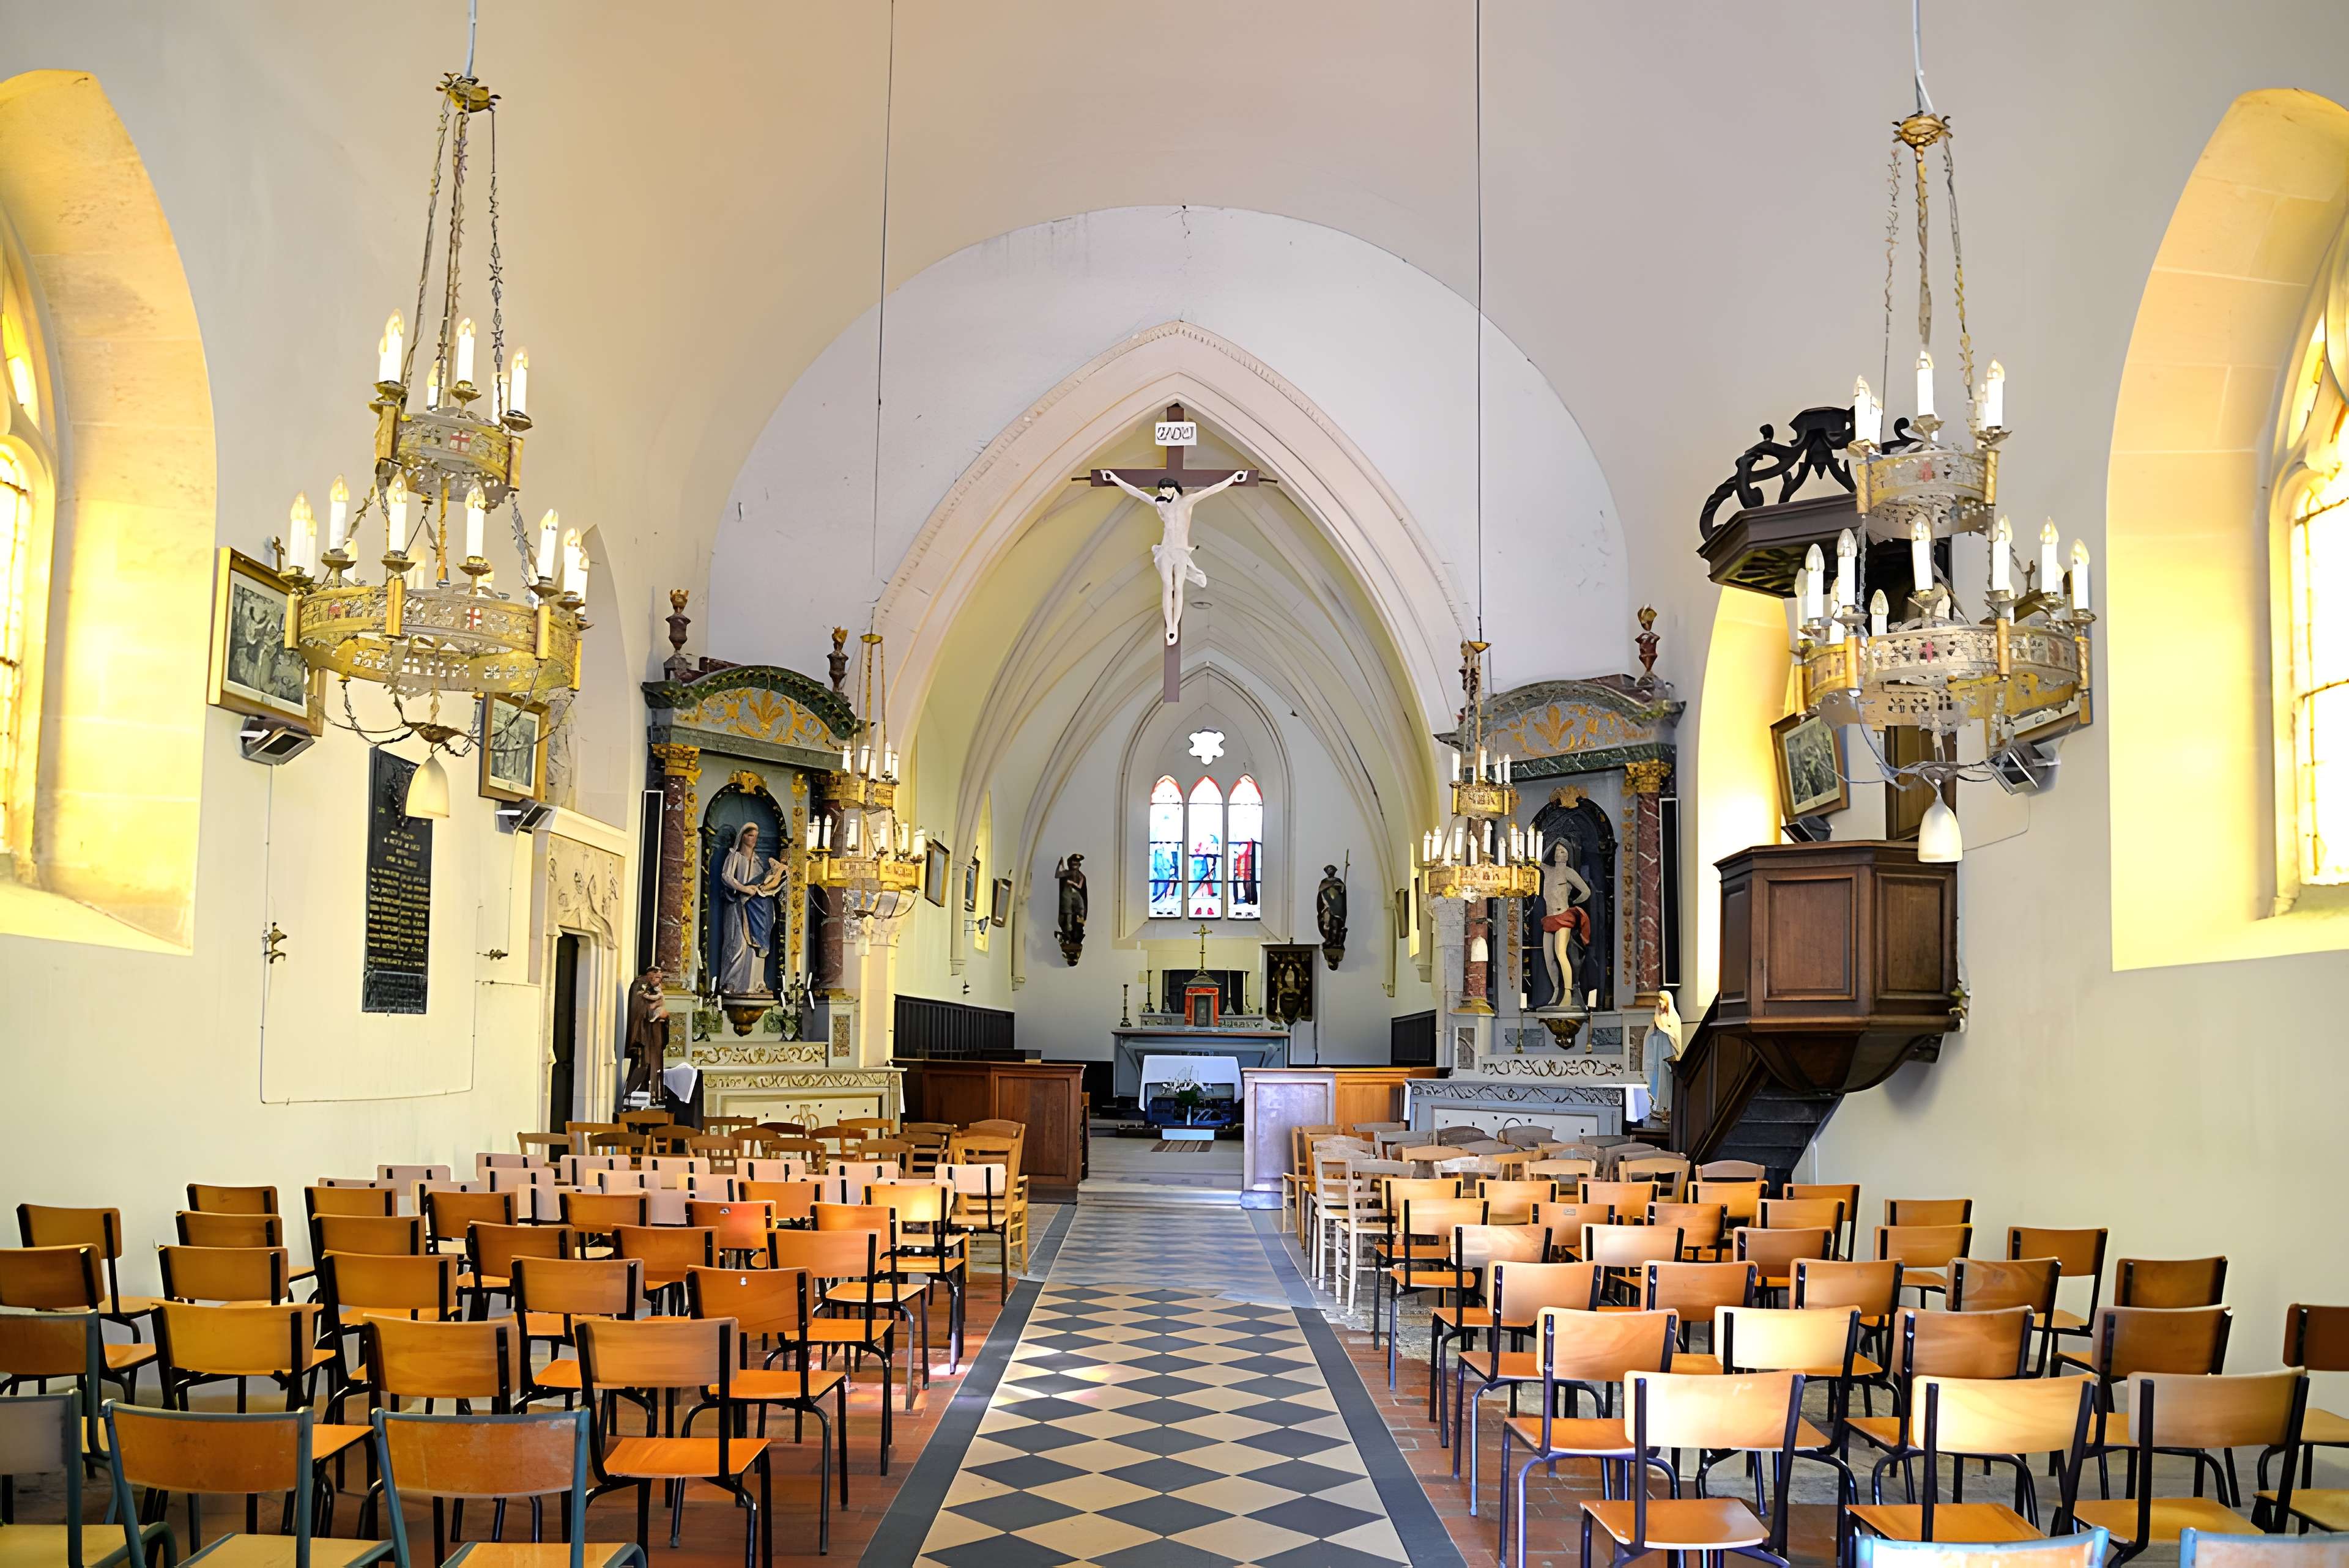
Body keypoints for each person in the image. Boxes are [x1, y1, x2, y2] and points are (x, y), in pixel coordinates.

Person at [1098, 467, 1249, 644]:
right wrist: (1114, 478)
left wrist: (1233, 479)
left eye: (1165, 489)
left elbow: (1212, 490)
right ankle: (1169, 625)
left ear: (1173, 488)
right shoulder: (1161, 504)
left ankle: (1174, 625)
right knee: (1167, 586)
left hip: (1180, 550)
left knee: (1178, 587)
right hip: (1167, 549)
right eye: (1161, 490)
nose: (1162, 492)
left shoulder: (1187, 502)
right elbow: (1137, 493)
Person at [716, 823, 789, 996]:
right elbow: (726, 876)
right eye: (750, 835)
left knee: (757, 945)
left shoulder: (757, 860)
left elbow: (762, 882)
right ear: (742, 836)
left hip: (756, 908)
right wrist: (744, 889)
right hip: (738, 908)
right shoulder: (735, 856)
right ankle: (731, 983)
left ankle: (756, 983)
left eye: (756, 835)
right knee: (738, 945)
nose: (753, 839)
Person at [1538, 841, 1592, 1006]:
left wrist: (1574, 901)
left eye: (1562, 851)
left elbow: (1586, 892)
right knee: (1549, 958)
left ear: (1568, 854)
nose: (1558, 853)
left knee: (1560, 953)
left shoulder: (1569, 872)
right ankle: (1556, 990)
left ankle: (1568, 994)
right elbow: (1536, 863)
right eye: (1556, 850)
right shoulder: (1549, 870)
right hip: (1549, 918)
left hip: (1563, 917)